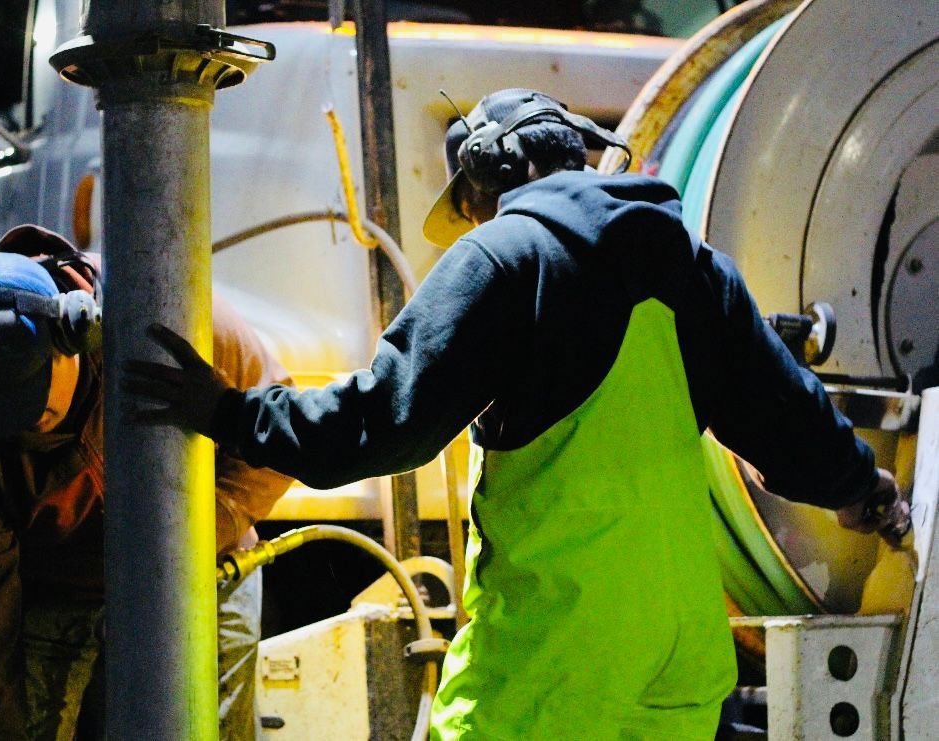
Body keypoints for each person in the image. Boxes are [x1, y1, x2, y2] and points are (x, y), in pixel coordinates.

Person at [121, 89, 910, 738]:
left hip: (547, 672)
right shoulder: (693, 266)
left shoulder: (503, 258)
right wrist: (861, 488)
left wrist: (229, 411)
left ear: (484, 178)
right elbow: (788, 416)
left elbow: (381, 423)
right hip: (677, 683)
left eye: (466, 205)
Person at [0, 225, 293, 740]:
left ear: (75, 333)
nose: (19, 425)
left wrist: (202, 533)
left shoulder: (170, 318)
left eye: (33, 400)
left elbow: (275, 433)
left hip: (200, 571)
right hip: (59, 587)